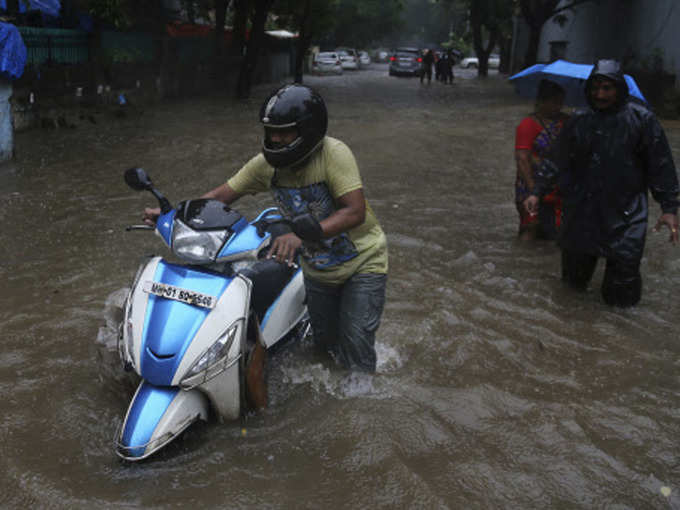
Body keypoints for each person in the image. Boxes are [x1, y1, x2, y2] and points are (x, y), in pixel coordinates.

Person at [143, 84, 389, 378]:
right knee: (324, 348)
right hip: (318, 270)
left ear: (308, 130)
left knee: (357, 348)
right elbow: (221, 196)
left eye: (285, 132)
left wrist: (301, 236)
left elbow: (354, 211)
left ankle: (359, 411)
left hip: (363, 264)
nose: (276, 139)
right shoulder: (265, 166)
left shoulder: (334, 154)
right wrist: (173, 214)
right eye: (272, 132)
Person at [523, 59, 679, 307]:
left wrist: (669, 208)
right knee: (571, 290)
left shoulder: (642, 121)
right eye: (596, 88)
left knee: (621, 296)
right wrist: (536, 191)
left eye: (607, 88)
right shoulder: (579, 120)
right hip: (582, 211)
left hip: (626, 215)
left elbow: (661, 167)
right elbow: (556, 159)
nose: (600, 94)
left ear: (619, 89)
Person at [514, 79, 569, 240]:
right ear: (541, 102)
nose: (558, 106)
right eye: (554, 102)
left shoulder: (567, 122)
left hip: (558, 185)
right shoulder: (528, 125)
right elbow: (522, 158)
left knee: (558, 227)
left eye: (560, 102)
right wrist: (533, 189)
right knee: (531, 225)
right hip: (531, 183)